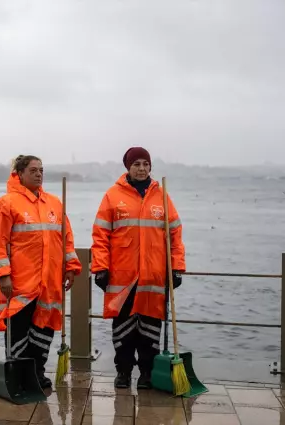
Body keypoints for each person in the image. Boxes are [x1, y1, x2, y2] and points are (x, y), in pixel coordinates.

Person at [91, 147, 186, 389]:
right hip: (121, 278)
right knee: (123, 329)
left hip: (153, 278)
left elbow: (175, 235)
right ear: (128, 168)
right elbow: (100, 235)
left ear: (150, 166)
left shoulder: (162, 197)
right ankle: (123, 372)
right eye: (137, 164)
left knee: (150, 330)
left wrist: (176, 268)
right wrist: (100, 267)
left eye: (146, 164)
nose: (142, 169)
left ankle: (147, 373)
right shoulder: (112, 196)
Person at [0, 155, 82, 388]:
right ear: (19, 174)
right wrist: (3, 275)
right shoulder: (5, 204)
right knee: (18, 331)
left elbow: (66, 239)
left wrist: (71, 267)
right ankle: (18, 374)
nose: (39, 174)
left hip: (49, 282)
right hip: (20, 283)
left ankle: (37, 372)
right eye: (33, 170)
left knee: (43, 329)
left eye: (41, 170)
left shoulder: (55, 203)